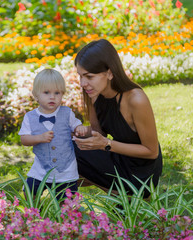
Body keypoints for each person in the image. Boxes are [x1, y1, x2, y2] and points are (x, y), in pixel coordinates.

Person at [73, 39, 162, 198]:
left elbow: (152, 151)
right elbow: (97, 132)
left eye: (89, 76)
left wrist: (106, 144)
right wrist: (75, 131)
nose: (83, 83)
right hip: (116, 156)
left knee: (68, 158)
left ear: (109, 72)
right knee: (62, 146)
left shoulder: (136, 100)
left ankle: (126, 196)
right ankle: (64, 209)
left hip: (141, 172)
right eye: (80, 76)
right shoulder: (94, 93)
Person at [19, 68, 89, 200]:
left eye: (57, 93)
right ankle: (35, 213)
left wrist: (80, 128)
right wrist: (39, 138)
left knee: (66, 199)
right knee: (30, 190)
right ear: (36, 95)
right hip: (41, 169)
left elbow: (76, 125)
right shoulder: (30, 117)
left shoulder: (67, 113)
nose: (52, 97)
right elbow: (24, 139)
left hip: (66, 169)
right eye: (46, 92)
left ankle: (64, 218)